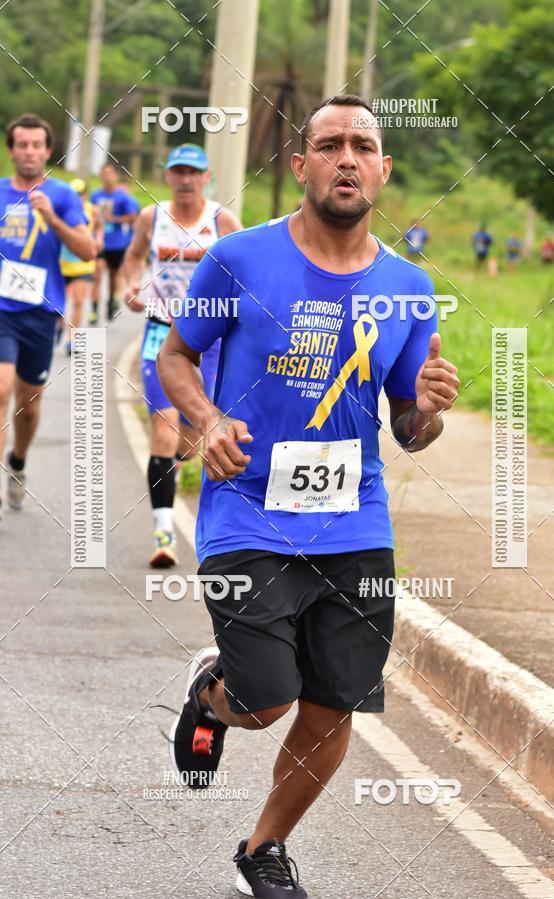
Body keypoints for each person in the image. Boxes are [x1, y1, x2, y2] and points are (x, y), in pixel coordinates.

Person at [157, 95, 459, 897]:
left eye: (363, 145)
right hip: (248, 510)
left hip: (355, 521)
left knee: (332, 704)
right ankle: (213, 696)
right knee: (264, 700)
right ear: (300, 165)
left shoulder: (409, 287)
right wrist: (207, 420)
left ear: (384, 169)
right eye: (329, 144)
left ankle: (264, 849)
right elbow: (176, 356)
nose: (346, 157)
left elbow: (409, 428)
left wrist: (428, 410)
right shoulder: (238, 259)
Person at [122, 144, 241, 568]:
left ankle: (174, 464)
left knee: (189, 442)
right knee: (163, 428)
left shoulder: (222, 221)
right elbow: (133, 257)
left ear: (207, 177)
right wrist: (130, 285)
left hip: (209, 341)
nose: (186, 179)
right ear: (168, 176)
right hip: (161, 331)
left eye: (194, 172)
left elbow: (247, 271)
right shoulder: (151, 218)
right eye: (178, 172)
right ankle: (164, 535)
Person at [0, 114, 95, 520]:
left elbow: (88, 250)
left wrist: (53, 219)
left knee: (29, 401)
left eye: (36, 145)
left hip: (40, 312)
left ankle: (18, 460)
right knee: (1, 387)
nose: (29, 152)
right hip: (1, 309)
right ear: (11, 150)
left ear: (47, 151)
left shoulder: (62, 195)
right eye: (22, 145)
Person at [90, 162, 140, 323]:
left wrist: (114, 219)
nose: (107, 177)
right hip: (99, 242)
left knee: (113, 276)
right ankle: (93, 311)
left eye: (110, 174)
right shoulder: (95, 196)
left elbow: (132, 217)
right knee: (97, 274)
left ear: (115, 176)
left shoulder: (122, 197)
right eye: (104, 174)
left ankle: (112, 299)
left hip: (116, 243)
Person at [59, 178, 103, 354]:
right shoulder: (60, 209)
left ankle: (72, 339)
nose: (77, 197)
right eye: (73, 194)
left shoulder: (92, 210)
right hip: (62, 264)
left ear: (85, 195)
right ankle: (59, 324)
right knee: (57, 303)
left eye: (80, 194)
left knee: (78, 302)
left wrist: (99, 240)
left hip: (83, 265)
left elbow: (99, 227)